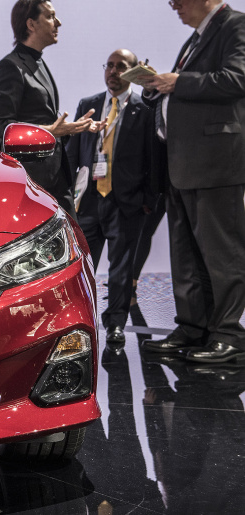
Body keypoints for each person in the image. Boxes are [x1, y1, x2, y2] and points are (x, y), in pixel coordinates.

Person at [140, 0, 245, 363]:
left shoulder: (235, 25)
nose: (173, 6)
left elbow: (238, 79)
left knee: (222, 254)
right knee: (186, 256)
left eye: (178, 0)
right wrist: (157, 87)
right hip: (184, 162)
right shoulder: (197, 37)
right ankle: (193, 327)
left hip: (216, 163)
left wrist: (178, 82)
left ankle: (229, 334)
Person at [66, 49, 156, 345]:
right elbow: (73, 153)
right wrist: (68, 197)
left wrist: (148, 199)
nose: (113, 71)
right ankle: (80, 321)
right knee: (82, 267)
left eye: (121, 66)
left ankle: (116, 323)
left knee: (121, 269)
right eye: (110, 65)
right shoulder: (88, 105)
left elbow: (153, 158)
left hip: (126, 200)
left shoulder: (144, 109)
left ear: (133, 71)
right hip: (90, 199)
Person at [0, 0, 98, 220]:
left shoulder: (37, 62)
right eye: (50, 16)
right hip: (31, 184)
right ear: (31, 24)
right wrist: (50, 131)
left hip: (55, 178)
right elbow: (1, 126)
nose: (58, 22)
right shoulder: (10, 67)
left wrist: (70, 129)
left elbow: (43, 119)